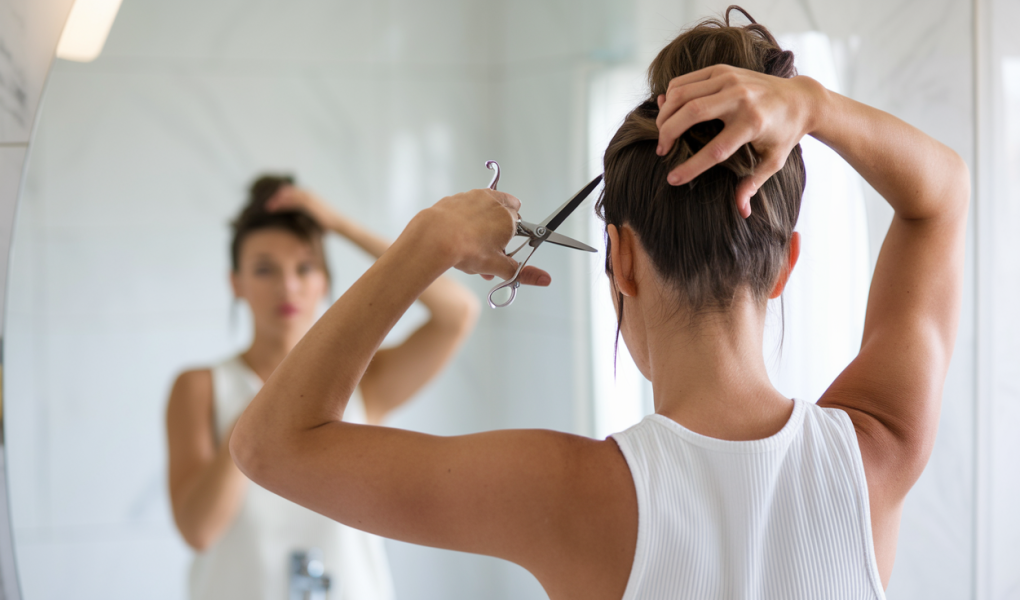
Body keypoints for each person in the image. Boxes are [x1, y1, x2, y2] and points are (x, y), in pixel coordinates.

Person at [230, 8, 969, 600]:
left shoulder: (564, 493)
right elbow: (941, 197)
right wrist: (815, 107)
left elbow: (270, 446)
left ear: (619, 258)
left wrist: (428, 240)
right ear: (785, 267)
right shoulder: (877, 452)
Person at [165, 175, 480, 600]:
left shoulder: (363, 380)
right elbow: (199, 531)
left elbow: (458, 312)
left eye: (305, 267)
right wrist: (266, 404)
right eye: (264, 269)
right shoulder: (200, 387)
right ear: (235, 283)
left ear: (325, 281)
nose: (288, 286)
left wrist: (339, 225)